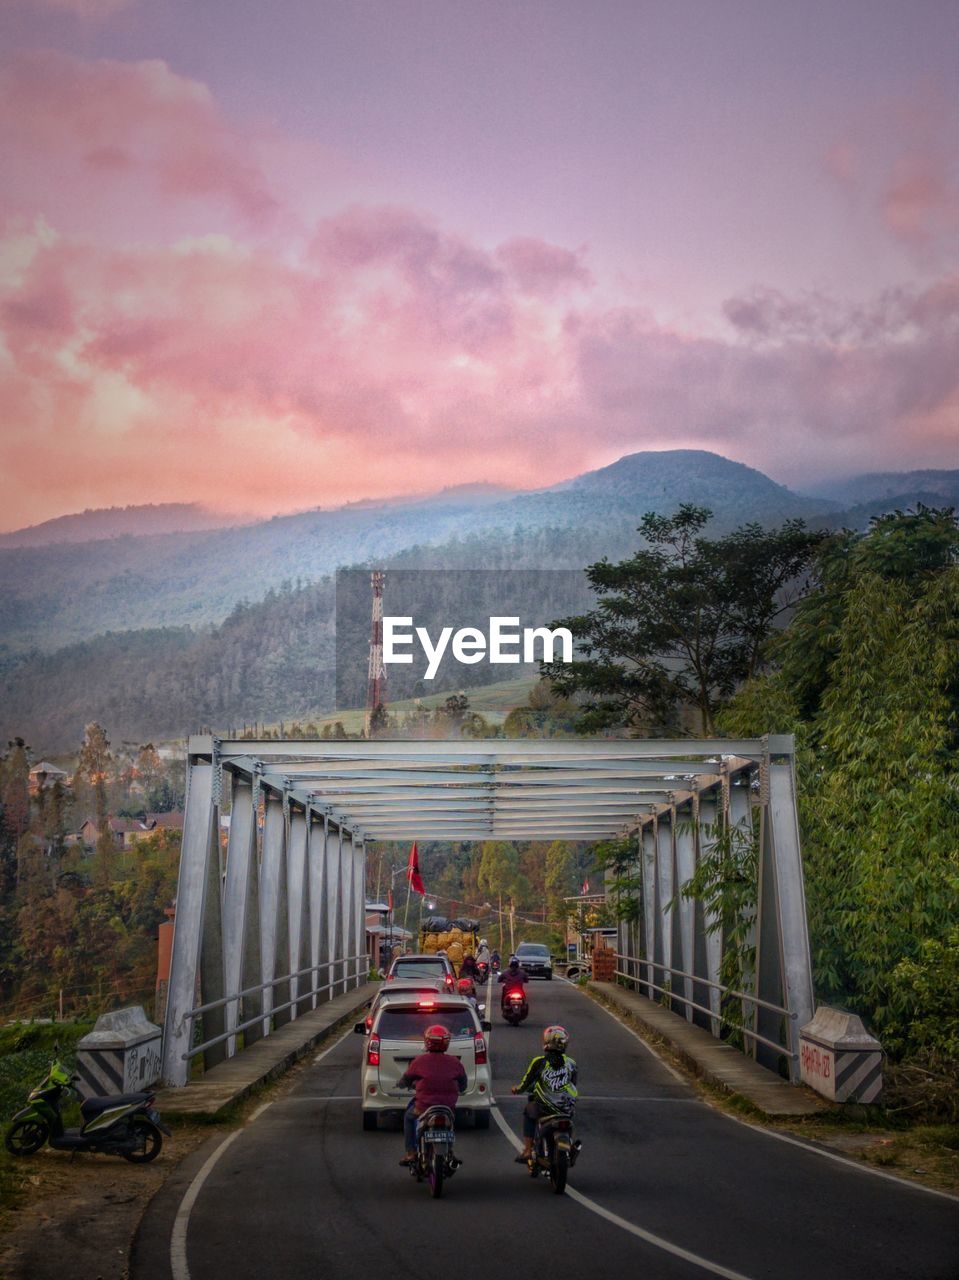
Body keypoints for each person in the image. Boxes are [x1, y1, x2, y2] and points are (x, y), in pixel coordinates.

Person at [397, 1024, 467, 1166]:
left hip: (424, 1107)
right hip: (447, 1107)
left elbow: (406, 1078)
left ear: (427, 1042)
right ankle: (450, 1151)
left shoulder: (419, 1061)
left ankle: (411, 1153)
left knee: (409, 1118)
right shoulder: (455, 1062)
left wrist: (401, 1084)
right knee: (451, 1124)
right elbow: (463, 1083)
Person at [510, 1025, 578, 1163]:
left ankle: (528, 1150)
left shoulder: (540, 1062)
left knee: (528, 1110)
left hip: (545, 1109)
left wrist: (516, 1089)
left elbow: (526, 1084)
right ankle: (569, 1145)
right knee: (570, 1118)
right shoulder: (571, 1063)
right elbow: (573, 1084)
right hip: (566, 1109)